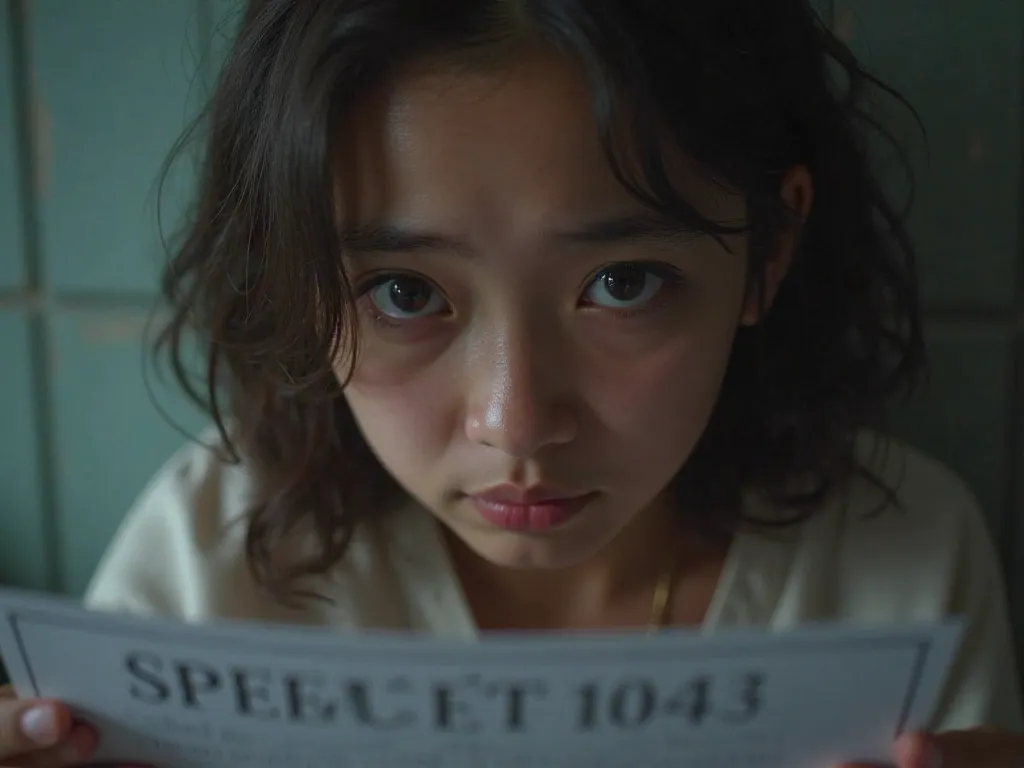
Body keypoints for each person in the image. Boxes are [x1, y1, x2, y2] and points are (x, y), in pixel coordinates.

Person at [2, 0, 1023, 765]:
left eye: (623, 285)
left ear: (767, 250)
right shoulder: (208, 560)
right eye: (403, 292)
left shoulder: (895, 568)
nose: (517, 421)